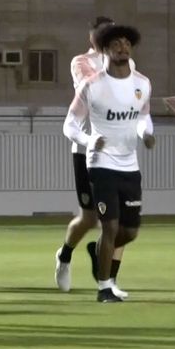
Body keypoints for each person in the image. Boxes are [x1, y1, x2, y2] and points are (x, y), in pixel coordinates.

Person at [63, 24, 154, 303]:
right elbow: (70, 124)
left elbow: (142, 116)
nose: (123, 47)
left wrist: (146, 133)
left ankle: (98, 250)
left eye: (127, 43)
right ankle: (104, 288)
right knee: (110, 226)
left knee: (130, 231)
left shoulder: (142, 84)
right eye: (116, 44)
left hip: (130, 164)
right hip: (101, 163)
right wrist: (89, 140)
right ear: (105, 49)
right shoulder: (93, 86)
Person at [55, 16, 129, 297]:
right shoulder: (81, 62)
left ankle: (109, 280)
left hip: (119, 153)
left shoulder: (128, 64)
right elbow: (96, 89)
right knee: (88, 219)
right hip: (88, 150)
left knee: (120, 220)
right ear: (94, 39)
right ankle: (64, 254)